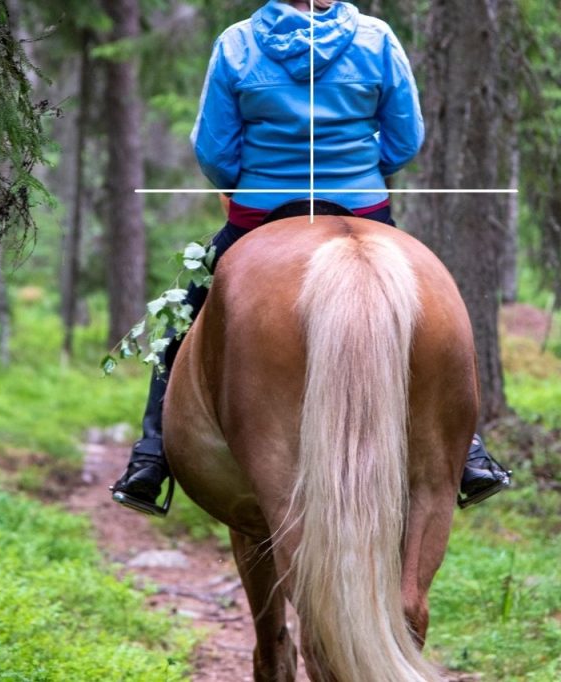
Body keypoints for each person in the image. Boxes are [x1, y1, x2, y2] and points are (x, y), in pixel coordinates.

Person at [112, 0, 511, 516]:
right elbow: (405, 140)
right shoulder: (376, 38)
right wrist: (359, 168)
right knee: (428, 305)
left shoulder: (237, 44)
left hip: (260, 213)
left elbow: (214, 151)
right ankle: (468, 451)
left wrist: (248, 179)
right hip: (362, 207)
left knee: (185, 315)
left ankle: (150, 456)